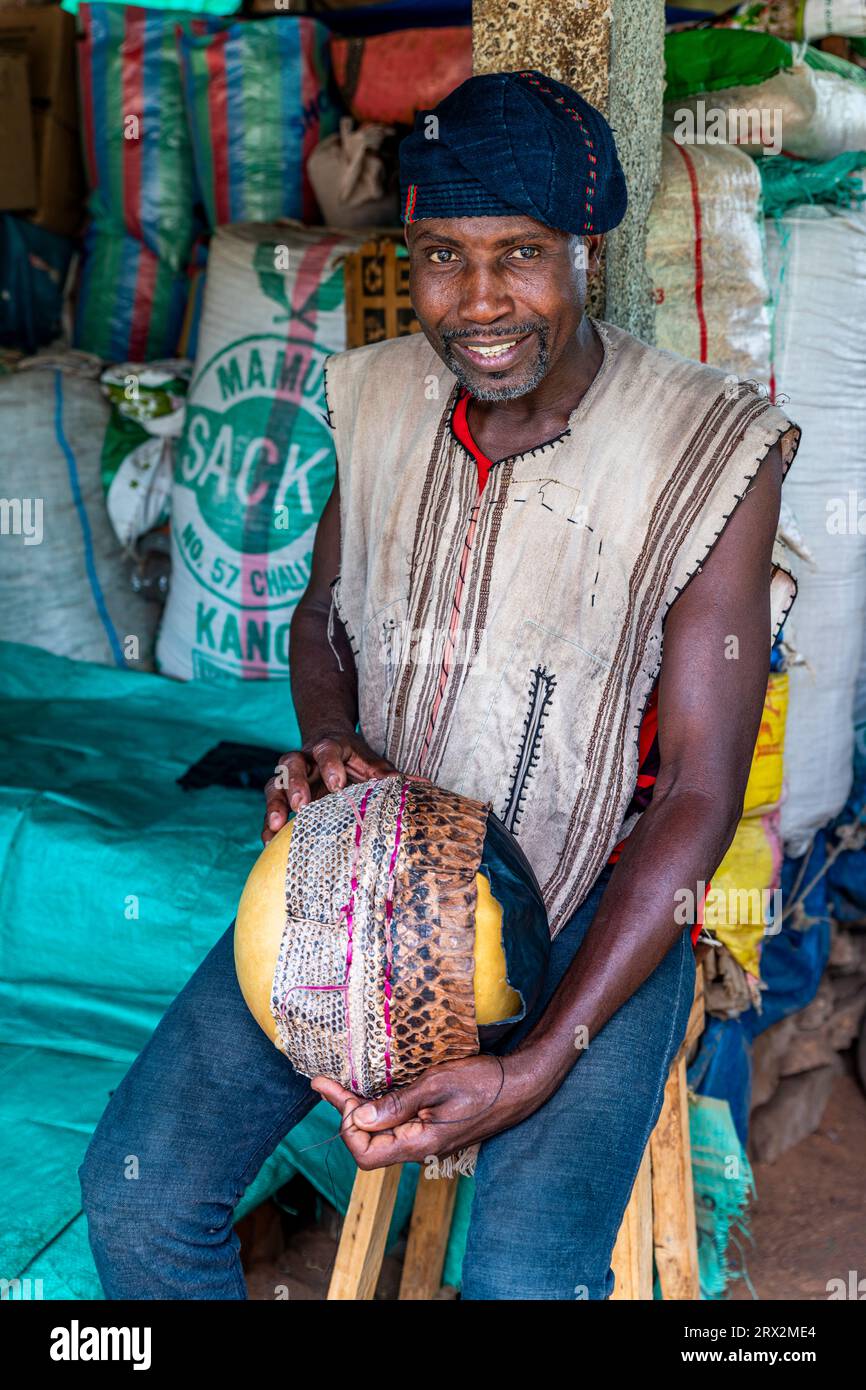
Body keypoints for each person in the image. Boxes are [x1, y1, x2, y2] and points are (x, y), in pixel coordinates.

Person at [80, 70, 800, 1300]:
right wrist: (332, 744)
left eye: (518, 253)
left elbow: (695, 790)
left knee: (523, 1281)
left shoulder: (707, 445)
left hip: (595, 904)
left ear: (587, 248)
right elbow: (322, 615)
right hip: (369, 874)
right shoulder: (374, 396)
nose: (477, 302)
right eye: (437, 256)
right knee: (138, 1199)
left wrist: (529, 1071)